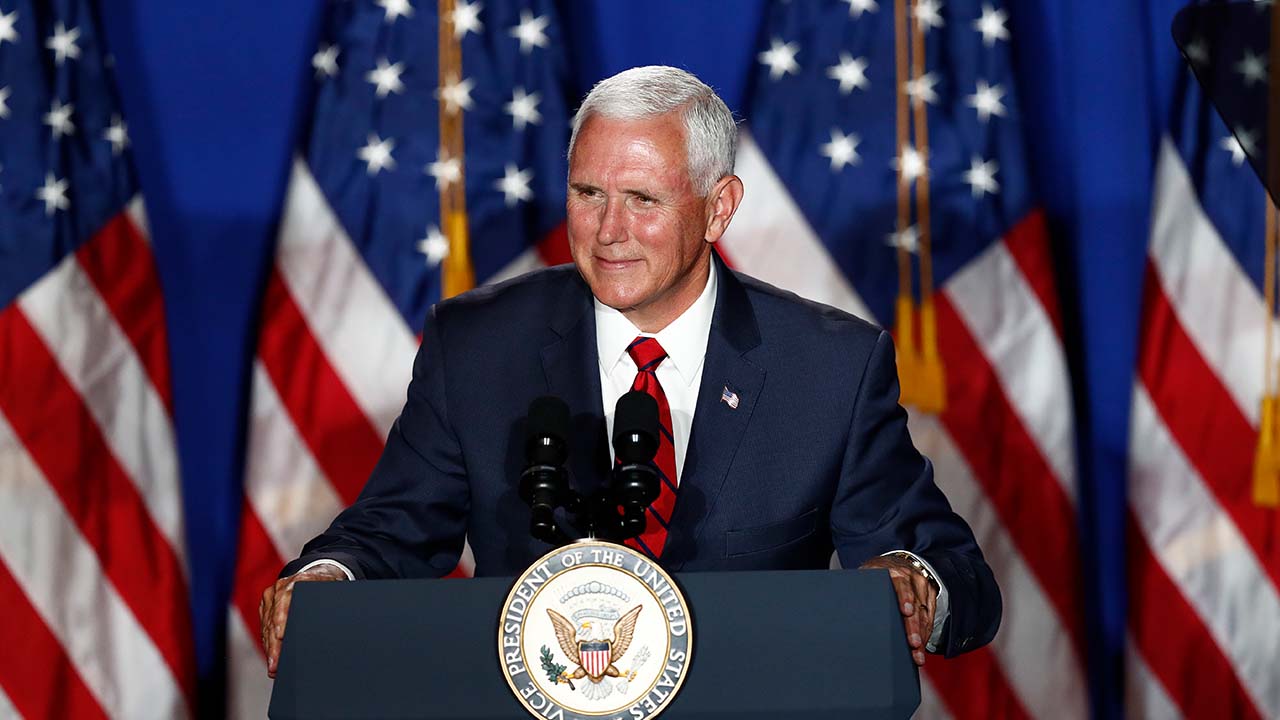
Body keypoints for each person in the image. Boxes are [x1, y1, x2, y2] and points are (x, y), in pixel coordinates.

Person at [260, 65, 1001, 678]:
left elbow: (954, 570)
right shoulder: (480, 345)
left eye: (643, 200)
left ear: (719, 209)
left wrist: (913, 586)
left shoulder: (828, 365)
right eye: (589, 194)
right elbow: (393, 530)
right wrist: (330, 578)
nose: (608, 231)